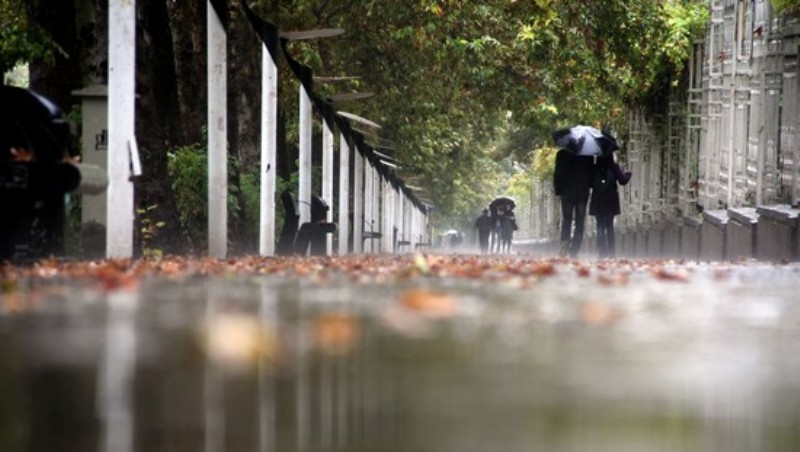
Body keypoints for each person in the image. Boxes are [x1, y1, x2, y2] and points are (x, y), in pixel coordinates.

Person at [553, 148, 595, 257]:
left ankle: (565, 241)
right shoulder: (588, 155)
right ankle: (574, 250)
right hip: (582, 192)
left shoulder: (561, 154)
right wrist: (590, 186)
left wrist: (558, 190)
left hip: (566, 192)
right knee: (580, 221)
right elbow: (591, 174)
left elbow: (558, 173)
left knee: (566, 219)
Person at [590, 155, 632, 258]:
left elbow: (590, 183)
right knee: (609, 225)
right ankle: (611, 251)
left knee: (600, 225)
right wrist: (627, 173)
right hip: (611, 199)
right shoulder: (614, 167)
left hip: (598, 199)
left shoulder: (594, 168)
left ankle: (601, 251)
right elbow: (622, 181)